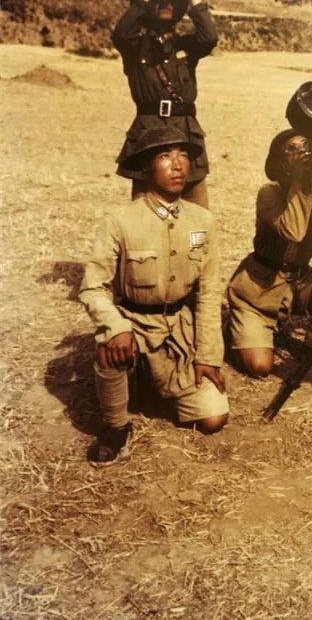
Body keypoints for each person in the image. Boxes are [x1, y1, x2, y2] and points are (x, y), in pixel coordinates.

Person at [79, 125, 229, 465]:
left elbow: (208, 293)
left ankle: (150, 384)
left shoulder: (203, 220)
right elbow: (93, 287)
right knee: (109, 346)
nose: (177, 165)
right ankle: (116, 427)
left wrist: (207, 355)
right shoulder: (119, 221)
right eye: (164, 156)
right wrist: (116, 327)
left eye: (184, 156)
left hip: (179, 331)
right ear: (146, 168)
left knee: (213, 418)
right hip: (133, 323)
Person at [227, 129, 312, 377]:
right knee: (261, 367)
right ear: (280, 163)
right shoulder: (269, 193)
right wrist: (298, 183)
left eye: (306, 147)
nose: (301, 153)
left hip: (296, 280)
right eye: (291, 150)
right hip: (258, 291)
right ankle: (232, 329)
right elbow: (293, 231)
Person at [112, 0, 218, 208]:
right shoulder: (134, 46)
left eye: (173, 2)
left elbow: (209, 37)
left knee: (197, 214)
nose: (168, 5)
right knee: (145, 214)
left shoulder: (186, 45)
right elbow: (121, 34)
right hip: (150, 130)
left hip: (185, 132)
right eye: (161, 0)